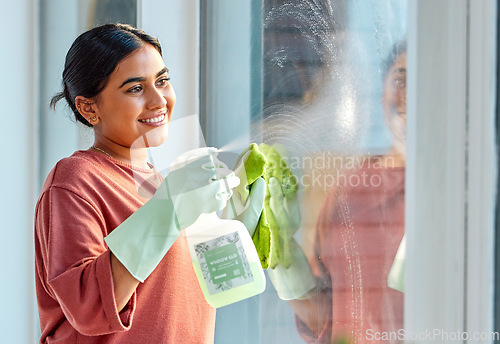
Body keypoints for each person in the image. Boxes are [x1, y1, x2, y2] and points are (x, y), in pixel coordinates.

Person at [34, 23, 264, 343]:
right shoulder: (76, 179)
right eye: (135, 88)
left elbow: (191, 298)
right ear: (89, 108)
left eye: (162, 81)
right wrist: (168, 209)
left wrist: (235, 235)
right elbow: (89, 307)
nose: (159, 101)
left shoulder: (164, 184)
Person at [268, 42, 407, 344]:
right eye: (400, 79)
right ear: (382, 92)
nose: (408, 95)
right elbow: (325, 320)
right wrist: (286, 264)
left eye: (424, 80)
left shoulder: (456, 197)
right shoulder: (352, 185)